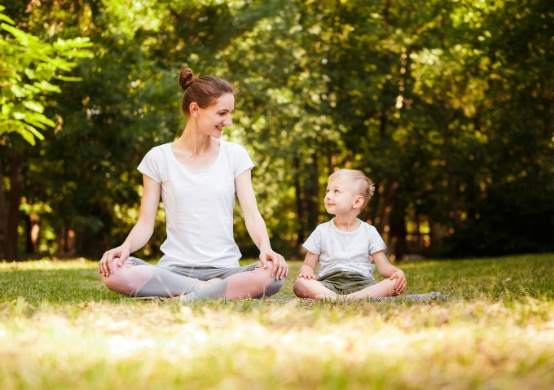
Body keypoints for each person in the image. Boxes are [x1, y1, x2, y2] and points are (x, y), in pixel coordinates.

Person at [98, 68, 288, 301]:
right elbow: (145, 223)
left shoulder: (235, 155)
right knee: (114, 271)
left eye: (230, 114)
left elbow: (252, 215)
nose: (227, 122)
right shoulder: (158, 158)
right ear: (195, 109)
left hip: (225, 269)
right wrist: (125, 248)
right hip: (174, 270)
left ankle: (188, 296)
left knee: (274, 275)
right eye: (222, 113)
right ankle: (210, 288)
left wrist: (266, 249)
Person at [293, 169, 406, 301]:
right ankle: (339, 298)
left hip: (363, 284)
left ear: (357, 202)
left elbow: (384, 267)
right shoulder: (321, 231)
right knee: (300, 283)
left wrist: (397, 273)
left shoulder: (369, 232)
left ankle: (345, 299)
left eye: (336, 191)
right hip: (329, 284)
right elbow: (308, 265)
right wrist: (306, 271)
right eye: (327, 190)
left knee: (392, 284)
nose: (328, 196)